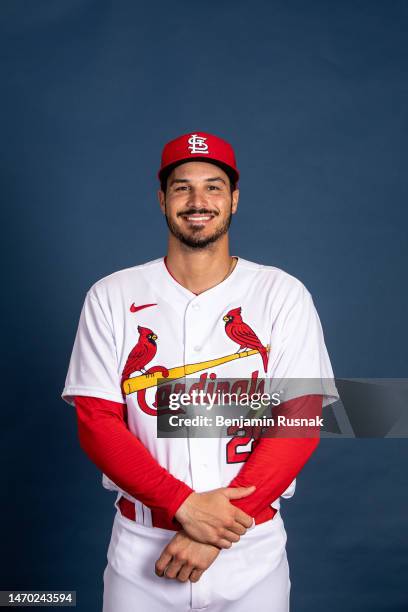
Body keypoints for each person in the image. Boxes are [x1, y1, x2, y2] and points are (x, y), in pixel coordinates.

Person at [61, 131, 338, 611]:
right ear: (162, 199)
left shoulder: (282, 293)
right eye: (182, 186)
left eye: (212, 186)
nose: (197, 200)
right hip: (143, 548)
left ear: (233, 198)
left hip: (250, 549)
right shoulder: (110, 295)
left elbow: (299, 420)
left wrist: (215, 532)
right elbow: (96, 423)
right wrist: (186, 507)